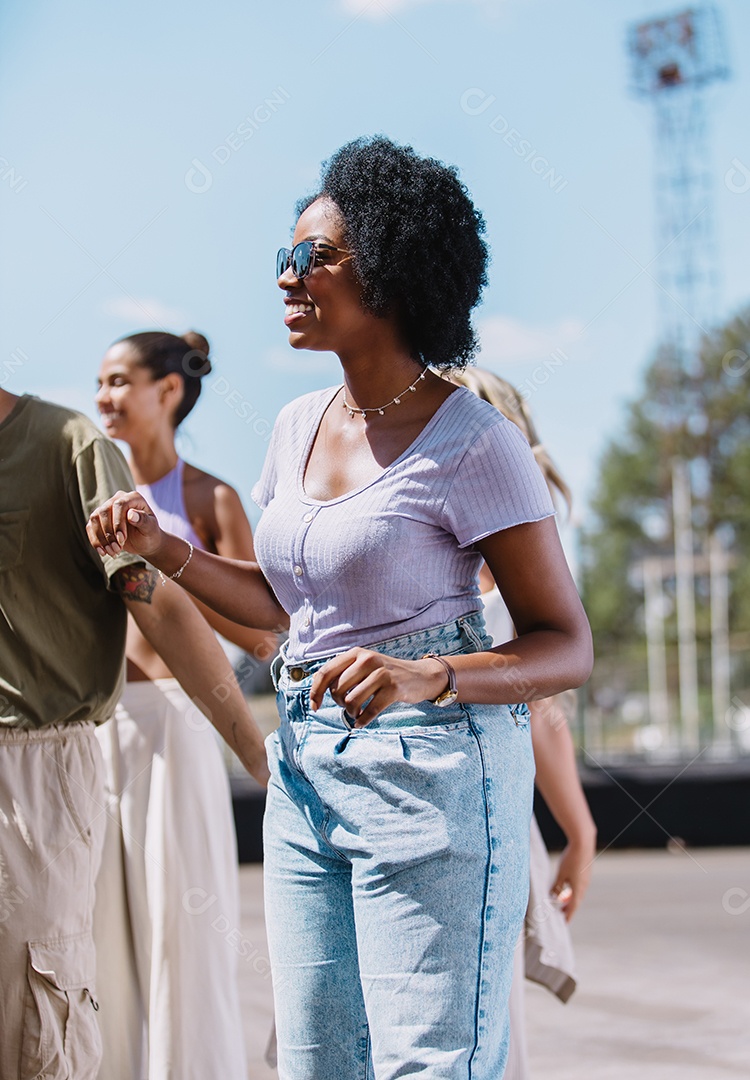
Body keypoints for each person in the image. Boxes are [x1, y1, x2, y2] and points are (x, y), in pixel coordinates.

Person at [87, 135, 594, 1080]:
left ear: (394, 273)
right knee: (319, 1064)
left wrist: (430, 674)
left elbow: (565, 645)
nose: (285, 276)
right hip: (307, 767)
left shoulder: (475, 444)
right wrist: (168, 552)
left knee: (425, 1066)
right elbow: (282, 605)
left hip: (436, 774)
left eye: (310, 256)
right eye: (284, 254)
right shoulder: (294, 425)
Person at [0, 387, 268, 1080]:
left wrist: (261, 759)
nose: (107, 392)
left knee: (39, 1019)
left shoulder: (68, 446)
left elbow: (169, 610)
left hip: (40, 768)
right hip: (99, 748)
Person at [91, 330, 278, 1080]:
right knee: (98, 938)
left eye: (117, 380)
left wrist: (171, 564)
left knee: (183, 936)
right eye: (97, 382)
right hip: (100, 729)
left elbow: (267, 628)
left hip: (185, 724)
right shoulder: (89, 492)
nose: (102, 397)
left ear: (168, 390)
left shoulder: (211, 498)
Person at [451, 367, 597, 1080]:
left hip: (491, 811)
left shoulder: (520, 565)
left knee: (478, 1024)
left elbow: (544, 708)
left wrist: (580, 831)